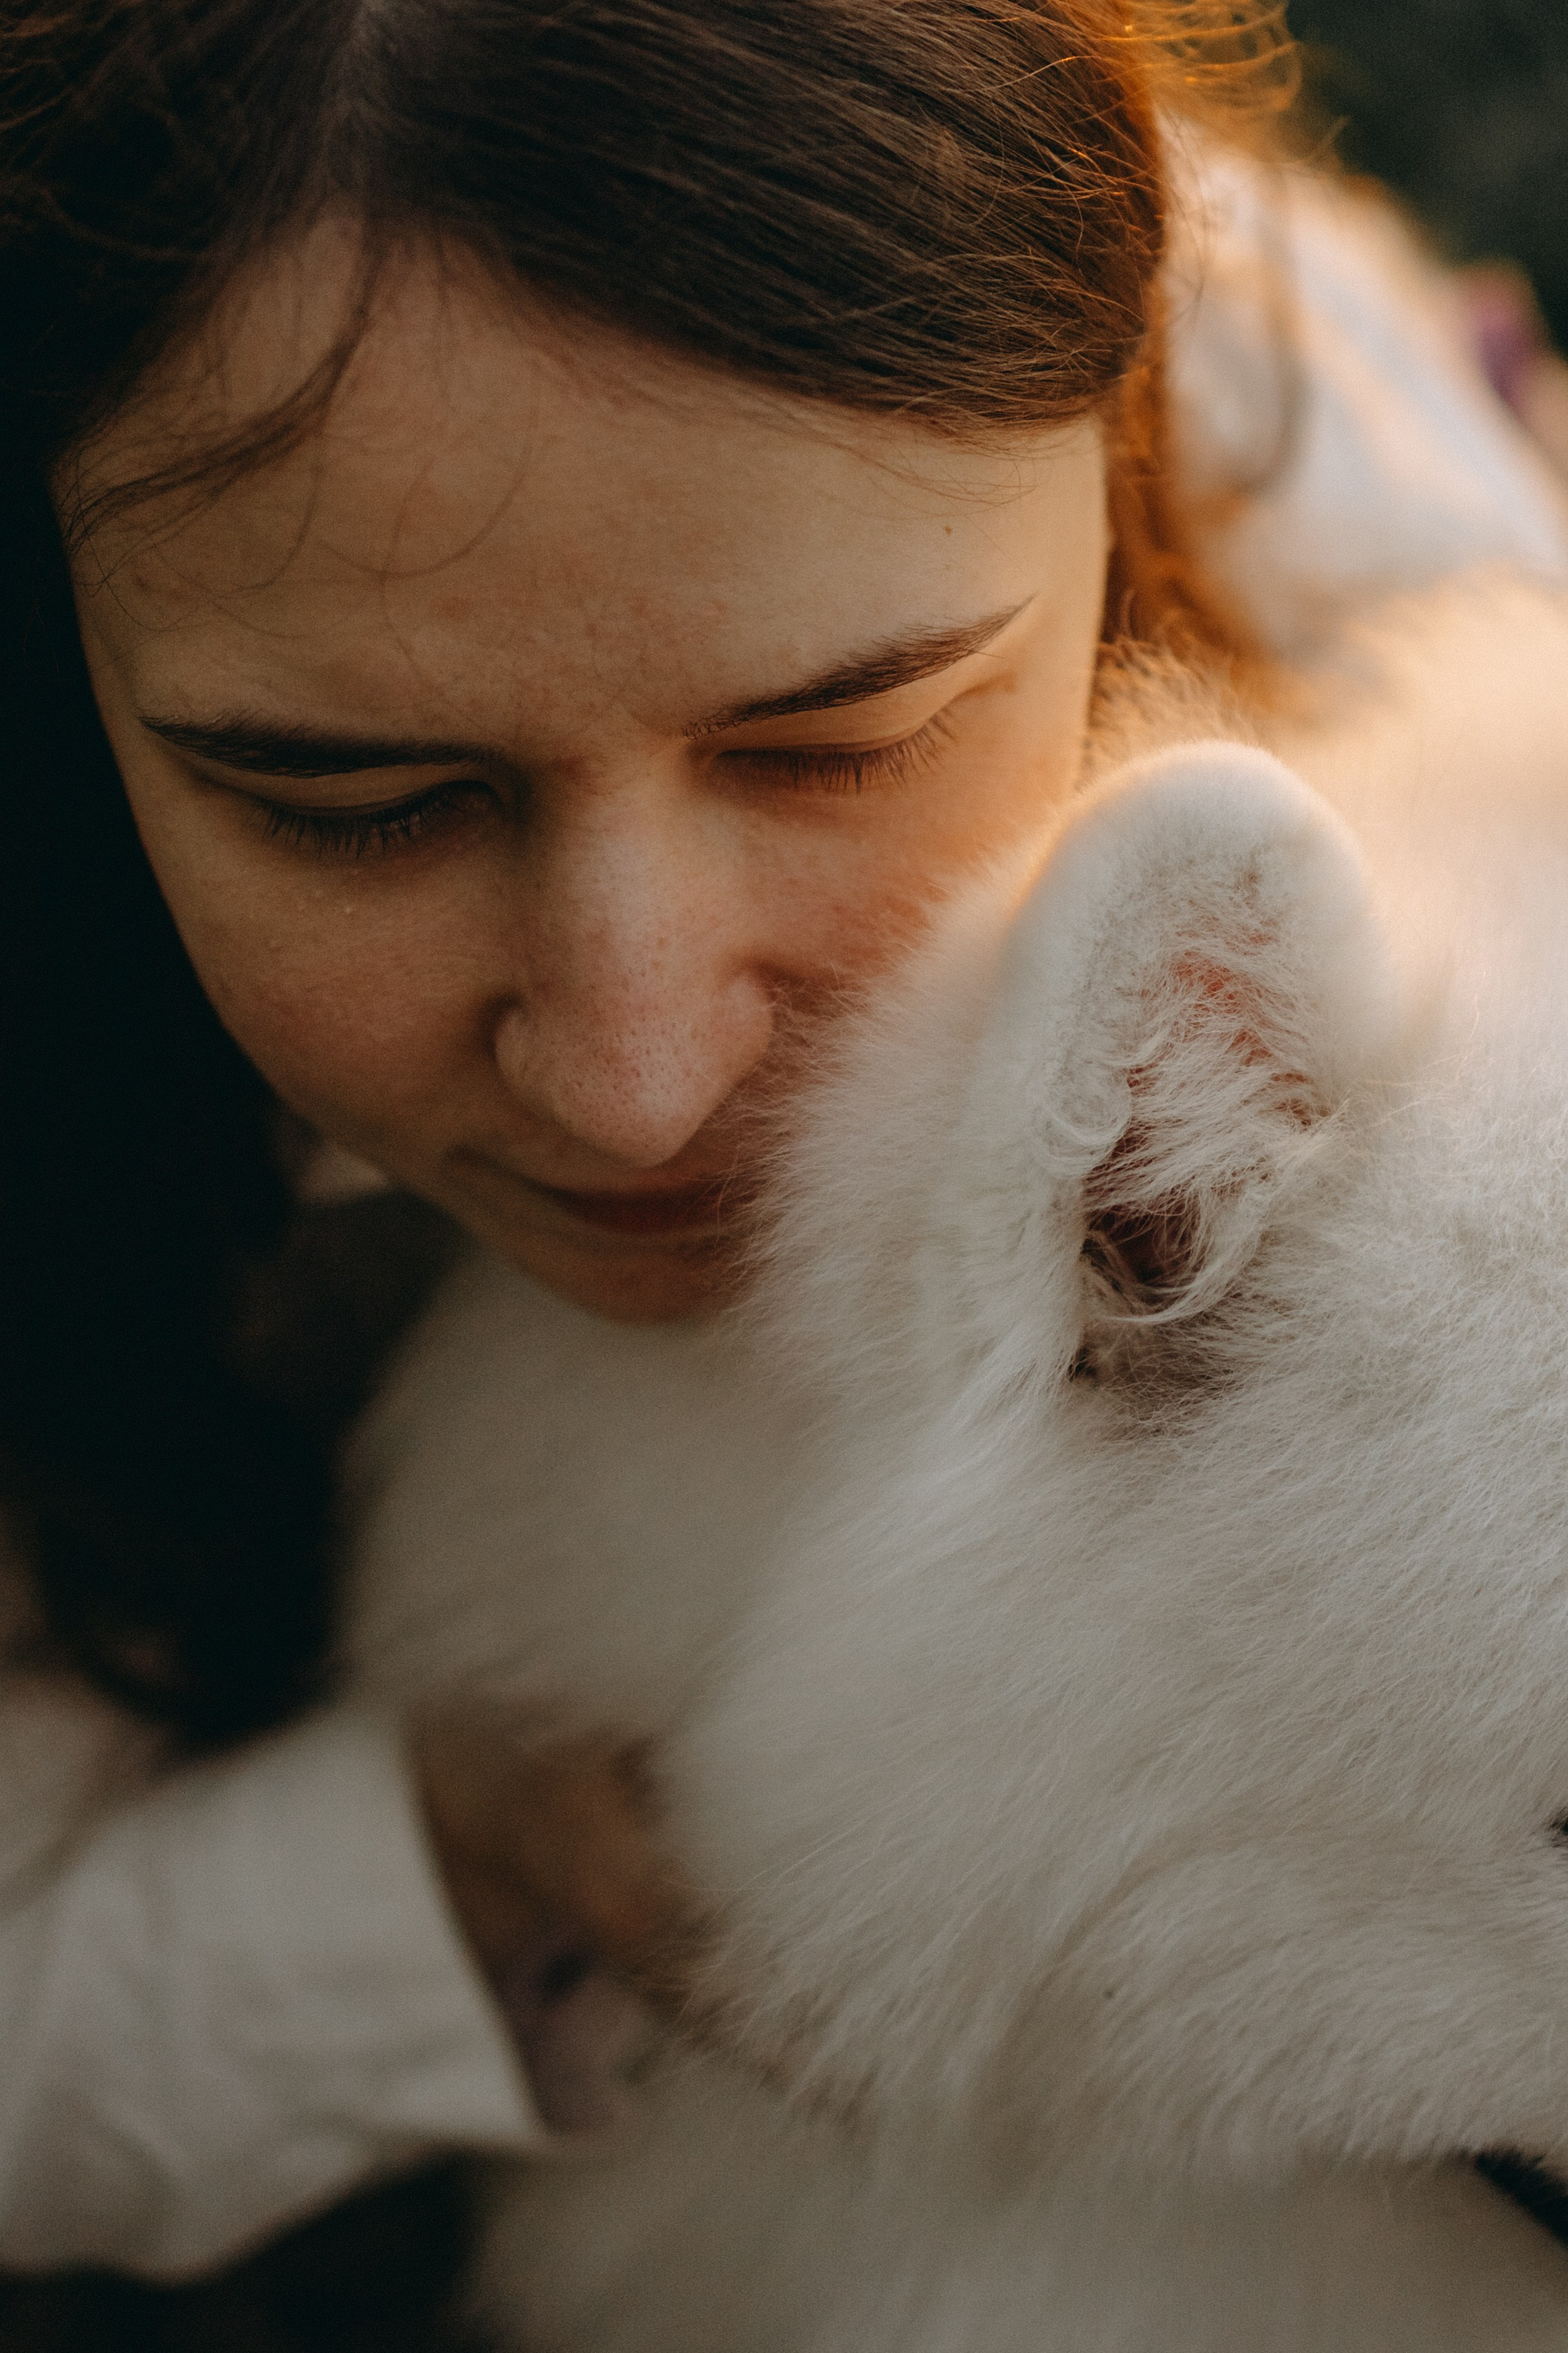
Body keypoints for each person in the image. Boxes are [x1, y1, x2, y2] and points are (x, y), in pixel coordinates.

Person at [0, 0, 1564, 2296]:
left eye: (841, 741)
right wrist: (450, 1858)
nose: (638, 1077)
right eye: (360, 803)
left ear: (1117, 438)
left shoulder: (1287, 407)